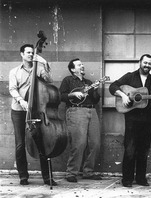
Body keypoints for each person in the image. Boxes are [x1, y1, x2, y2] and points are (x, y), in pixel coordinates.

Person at [109, 54, 151, 187]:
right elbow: (113, 87)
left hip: (147, 120)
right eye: (145, 63)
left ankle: (141, 178)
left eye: (150, 63)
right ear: (140, 62)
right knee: (130, 149)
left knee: (143, 150)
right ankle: (127, 179)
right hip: (132, 120)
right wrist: (123, 95)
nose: (147, 65)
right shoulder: (130, 76)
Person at [9, 44, 56, 186]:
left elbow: (49, 80)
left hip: (36, 110)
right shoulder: (15, 71)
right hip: (19, 110)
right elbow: (12, 89)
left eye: (32, 52)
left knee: (42, 141)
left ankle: (47, 177)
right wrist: (21, 101)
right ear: (22, 54)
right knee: (20, 144)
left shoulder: (39, 69)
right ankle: (23, 176)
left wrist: (43, 62)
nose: (30, 55)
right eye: (28, 52)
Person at [59, 58, 102, 183]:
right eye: (79, 65)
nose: (82, 66)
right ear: (73, 69)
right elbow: (60, 96)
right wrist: (73, 95)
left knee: (95, 143)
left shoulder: (88, 82)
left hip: (91, 111)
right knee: (79, 143)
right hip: (76, 111)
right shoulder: (68, 80)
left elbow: (95, 100)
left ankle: (88, 171)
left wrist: (95, 90)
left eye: (82, 64)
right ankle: (71, 172)